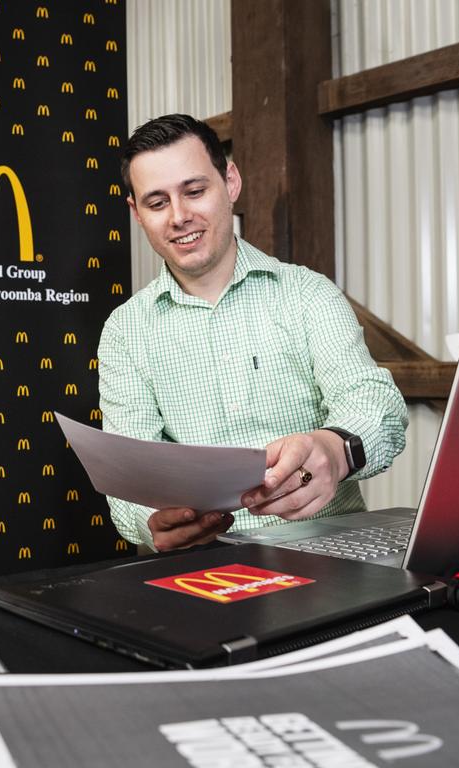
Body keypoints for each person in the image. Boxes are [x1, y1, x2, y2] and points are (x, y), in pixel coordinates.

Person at [98, 114, 407, 552]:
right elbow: (127, 477)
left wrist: (335, 450)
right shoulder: (125, 331)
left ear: (231, 182)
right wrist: (150, 519)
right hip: (201, 568)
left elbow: (376, 402)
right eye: (157, 202)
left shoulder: (307, 294)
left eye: (195, 191)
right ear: (137, 214)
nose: (180, 216)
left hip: (330, 551)